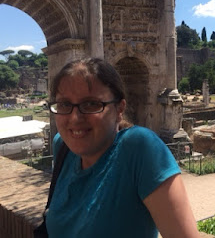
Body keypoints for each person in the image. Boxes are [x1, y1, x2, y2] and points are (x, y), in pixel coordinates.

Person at [46, 58, 200, 238]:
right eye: (64, 104)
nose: (74, 118)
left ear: (120, 109)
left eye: (91, 104)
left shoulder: (140, 148)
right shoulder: (62, 146)